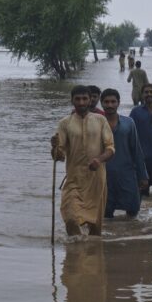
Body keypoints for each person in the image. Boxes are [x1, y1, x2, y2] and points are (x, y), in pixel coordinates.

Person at [51, 85, 115, 236]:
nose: (81, 102)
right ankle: (75, 247)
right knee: (70, 217)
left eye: (84, 98)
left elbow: (111, 148)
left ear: (90, 100)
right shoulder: (65, 123)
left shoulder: (100, 120)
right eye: (77, 99)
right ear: (72, 100)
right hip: (74, 178)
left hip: (96, 179)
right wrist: (54, 147)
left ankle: (91, 254)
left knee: (95, 227)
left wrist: (99, 160)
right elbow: (59, 156)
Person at [100, 88, 148, 218]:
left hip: (127, 174)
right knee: (105, 213)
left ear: (118, 103)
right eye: (106, 102)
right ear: (101, 103)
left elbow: (136, 150)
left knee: (132, 211)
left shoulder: (129, 123)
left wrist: (143, 175)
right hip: (103, 175)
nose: (110, 105)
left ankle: (130, 237)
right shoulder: (95, 124)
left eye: (113, 102)